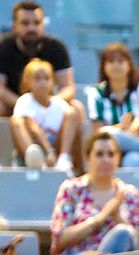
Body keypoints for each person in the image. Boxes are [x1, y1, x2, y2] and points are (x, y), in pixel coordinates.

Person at [50, 129, 139, 255]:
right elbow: (59, 240)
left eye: (111, 154)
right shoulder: (71, 189)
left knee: (123, 237)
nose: (106, 160)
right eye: (99, 154)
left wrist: (118, 218)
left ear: (118, 158)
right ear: (87, 158)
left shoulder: (130, 193)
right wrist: (100, 218)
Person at [0, 1, 81, 156]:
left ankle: (71, 163)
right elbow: (0, 88)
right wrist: (28, 105)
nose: (31, 28)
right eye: (25, 23)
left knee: (77, 108)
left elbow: (68, 88)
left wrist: (49, 105)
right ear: (14, 26)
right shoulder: (3, 48)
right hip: (13, 104)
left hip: (48, 103)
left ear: (43, 24)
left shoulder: (56, 47)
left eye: (36, 23)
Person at [83, 42, 139, 168]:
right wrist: (122, 128)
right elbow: (99, 133)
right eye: (111, 61)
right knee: (108, 131)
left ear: (129, 65)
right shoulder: (96, 93)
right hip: (109, 147)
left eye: (121, 61)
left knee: (133, 160)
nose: (116, 66)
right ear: (103, 66)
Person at [10, 58, 75, 170]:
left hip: (56, 151)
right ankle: (33, 158)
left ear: (52, 82)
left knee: (73, 111)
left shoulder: (59, 104)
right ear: (27, 82)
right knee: (16, 121)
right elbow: (34, 128)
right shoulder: (24, 100)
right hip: (36, 146)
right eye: (37, 79)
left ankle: (64, 159)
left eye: (46, 78)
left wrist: (54, 154)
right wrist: (49, 151)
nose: (43, 83)